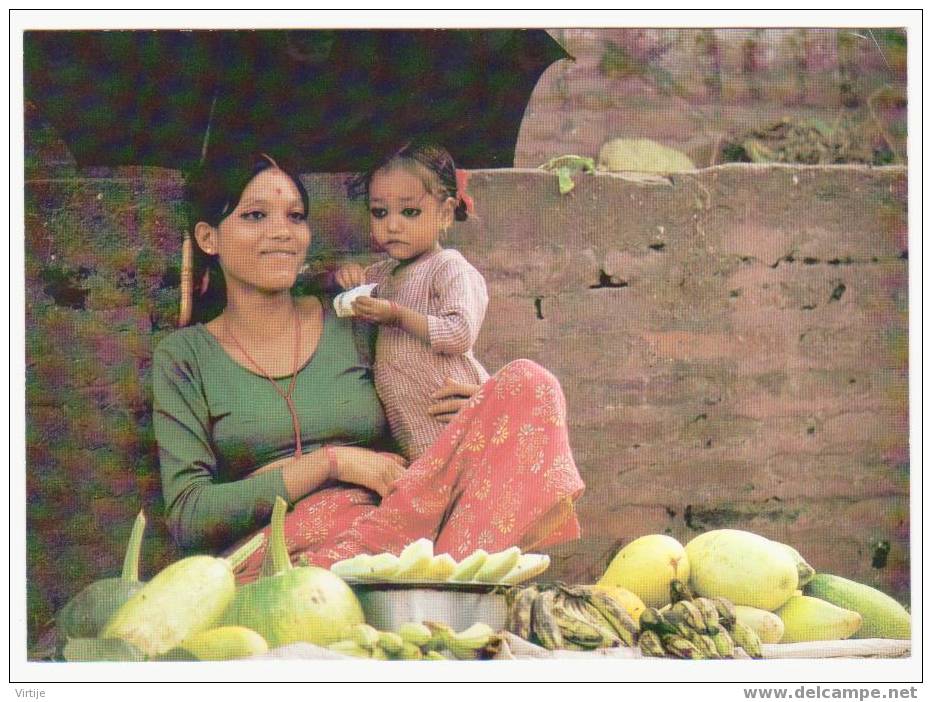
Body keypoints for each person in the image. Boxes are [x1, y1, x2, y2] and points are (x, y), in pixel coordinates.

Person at [153, 148, 585, 583]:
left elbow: (420, 380)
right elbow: (190, 515)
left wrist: (481, 406)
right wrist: (332, 463)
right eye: (255, 216)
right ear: (209, 238)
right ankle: (425, 591)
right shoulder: (185, 357)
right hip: (293, 556)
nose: (282, 232)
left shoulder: (352, 319)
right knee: (326, 569)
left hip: (403, 526)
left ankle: (440, 584)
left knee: (529, 384)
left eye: (295, 216)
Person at [334, 143, 489, 460]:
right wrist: (348, 278)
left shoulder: (448, 267)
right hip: (413, 437)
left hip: (456, 424)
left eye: (409, 212)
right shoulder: (382, 273)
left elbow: (459, 333)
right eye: (380, 212)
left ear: (444, 212)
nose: (392, 225)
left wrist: (396, 315)